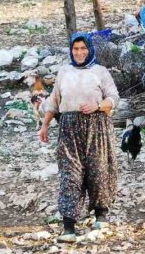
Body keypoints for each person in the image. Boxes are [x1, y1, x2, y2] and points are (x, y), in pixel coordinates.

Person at [38, 33, 120, 242]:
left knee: (98, 169)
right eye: (76, 49)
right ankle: (68, 228)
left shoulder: (100, 72)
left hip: (97, 127)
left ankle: (101, 215)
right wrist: (45, 125)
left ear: (89, 49)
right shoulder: (64, 72)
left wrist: (98, 106)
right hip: (69, 129)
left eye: (83, 48)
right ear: (71, 50)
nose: (80, 52)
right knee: (70, 175)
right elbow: (55, 101)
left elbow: (114, 97)